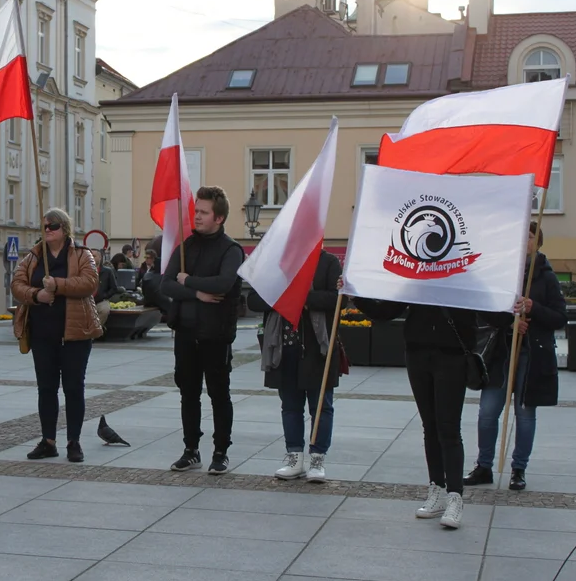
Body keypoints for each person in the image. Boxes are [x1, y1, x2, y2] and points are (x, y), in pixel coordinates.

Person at [352, 287, 496, 529]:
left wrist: (512, 304)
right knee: (430, 426)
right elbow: (386, 311)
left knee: (448, 428)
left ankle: (455, 497)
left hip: (452, 356)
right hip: (418, 353)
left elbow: (492, 312)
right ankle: (436, 489)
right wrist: (355, 295)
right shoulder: (416, 276)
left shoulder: (464, 274)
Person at [465, 222, 566, 491]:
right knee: (487, 412)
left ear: (539, 242)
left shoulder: (546, 275)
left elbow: (560, 316)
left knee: (524, 414)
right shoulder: (501, 272)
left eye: (531, 236)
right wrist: (510, 323)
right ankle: (483, 465)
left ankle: (519, 468)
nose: (526, 241)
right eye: (522, 236)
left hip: (531, 357)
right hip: (500, 354)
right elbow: (483, 311)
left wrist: (534, 309)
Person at [161, 186, 244, 475]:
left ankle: (220, 451)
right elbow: (166, 283)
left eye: (203, 212)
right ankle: (190, 449)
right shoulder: (186, 246)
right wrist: (196, 293)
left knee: (219, 394)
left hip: (216, 334)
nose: (196, 216)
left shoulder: (231, 250)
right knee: (188, 393)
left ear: (218, 218)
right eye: (196, 211)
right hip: (185, 331)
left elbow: (223, 284)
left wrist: (188, 281)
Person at [11, 208, 101, 463]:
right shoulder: (33, 257)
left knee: (73, 388)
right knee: (46, 389)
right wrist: (36, 294)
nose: (47, 230)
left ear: (65, 229)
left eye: (52, 226)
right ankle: (48, 440)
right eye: (44, 227)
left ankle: (74, 440)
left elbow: (90, 282)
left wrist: (58, 285)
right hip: (42, 334)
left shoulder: (82, 254)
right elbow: (17, 284)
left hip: (75, 333)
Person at [249, 248, 342, 483]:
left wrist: (299, 296)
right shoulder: (277, 261)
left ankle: (318, 458)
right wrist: (284, 297)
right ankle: (294, 456)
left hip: (317, 347)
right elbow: (253, 299)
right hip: (283, 345)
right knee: (290, 406)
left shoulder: (328, 262)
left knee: (321, 406)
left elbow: (337, 298)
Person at [92, 249, 121, 331]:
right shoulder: (84, 271)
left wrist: (104, 296)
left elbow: (114, 288)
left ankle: (95, 331)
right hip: (87, 299)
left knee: (104, 310)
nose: (91, 257)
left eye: (94, 256)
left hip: (101, 300)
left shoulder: (107, 271)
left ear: (100, 257)